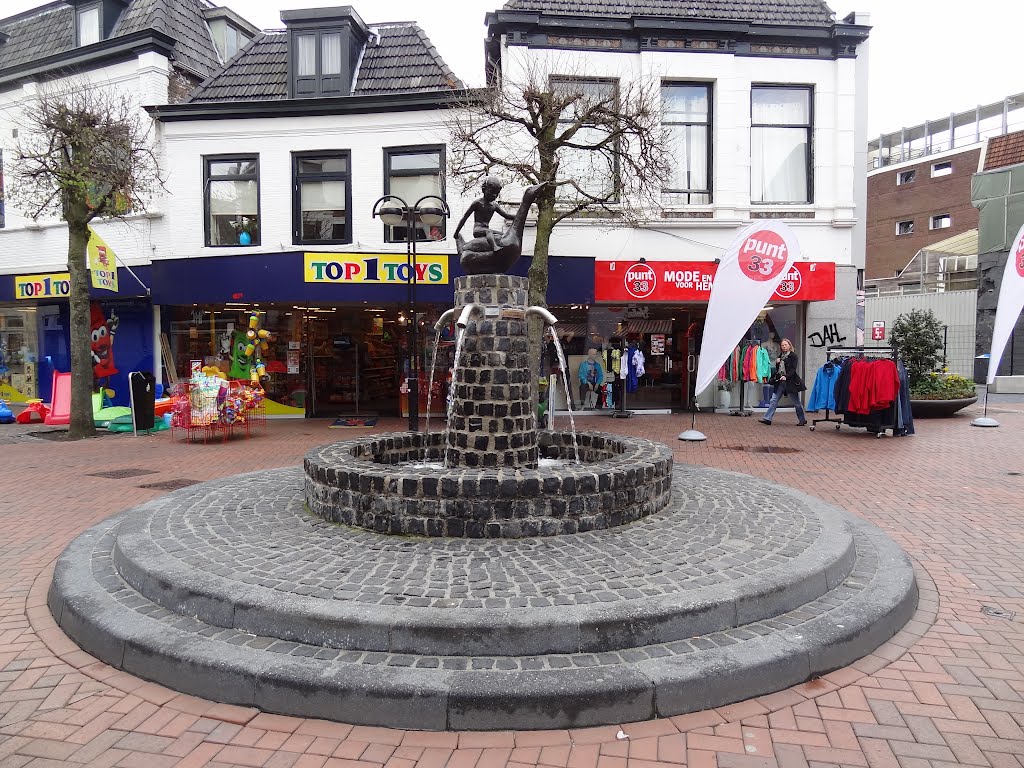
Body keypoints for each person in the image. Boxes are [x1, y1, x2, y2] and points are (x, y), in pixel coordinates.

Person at [453, 176, 515, 253]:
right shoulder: (478, 203)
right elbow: (464, 218)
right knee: (489, 232)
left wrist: (519, 216)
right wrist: (456, 233)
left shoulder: (494, 205)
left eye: (496, 193)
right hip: (478, 230)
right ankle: (495, 247)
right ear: (484, 189)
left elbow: (506, 215)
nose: (494, 195)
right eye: (492, 192)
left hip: (487, 229)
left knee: (502, 235)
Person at [759, 338, 807, 426]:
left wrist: (786, 376)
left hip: (790, 382)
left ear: (789, 345)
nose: (784, 347)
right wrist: (777, 363)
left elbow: (793, 369)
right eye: (782, 345)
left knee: (796, 402)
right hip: (780, 381)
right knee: (774, 400)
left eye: (786, 345)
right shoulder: (781, 355)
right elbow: (779, 370)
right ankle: (767, 418)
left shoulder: (793, 356)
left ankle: (802, 419)